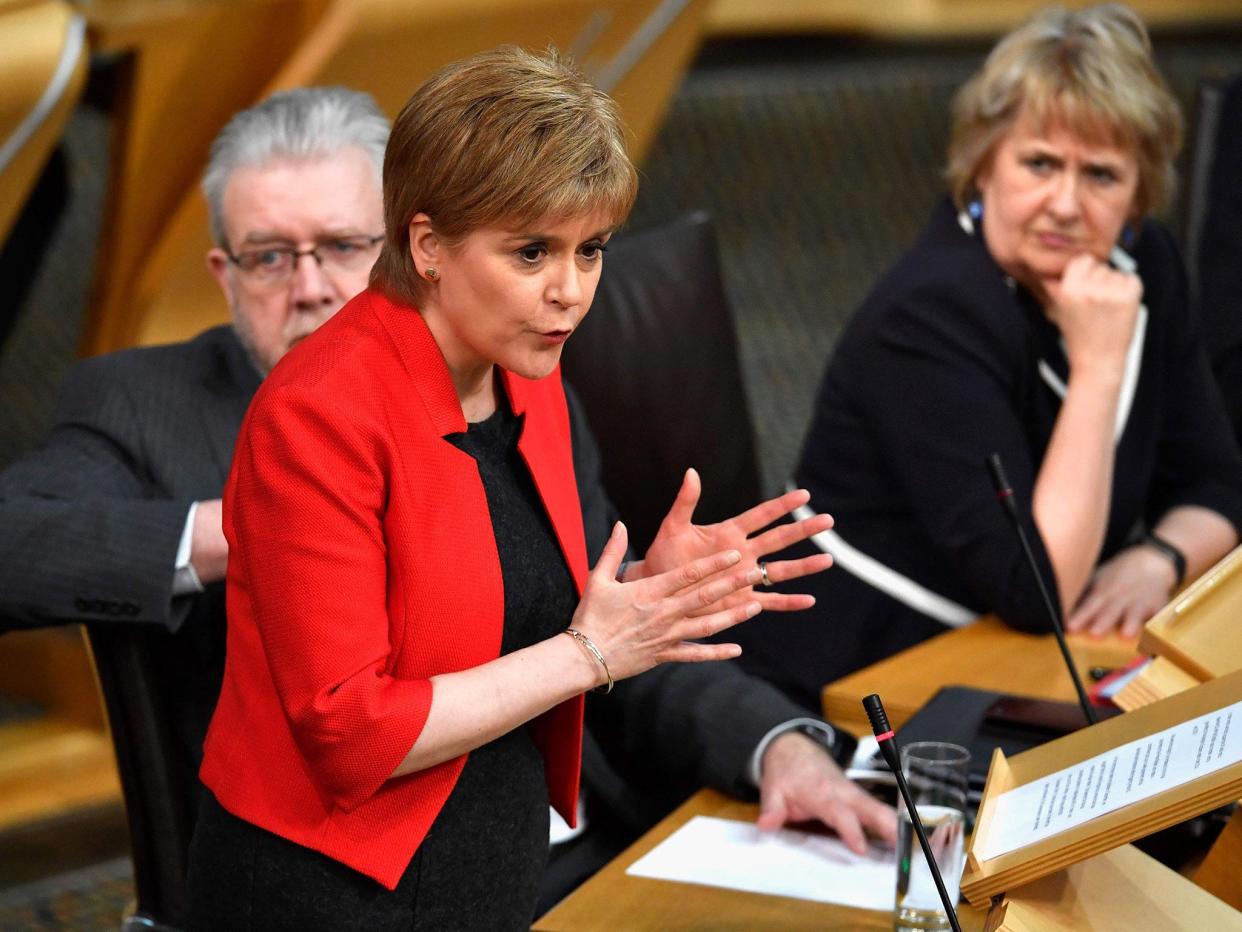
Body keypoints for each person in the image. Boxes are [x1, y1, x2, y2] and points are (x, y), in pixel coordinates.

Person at [0, 81, 892, 920]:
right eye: (271, 255)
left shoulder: (520, 362)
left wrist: (664, 612)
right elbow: (357, 726)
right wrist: (239, 534)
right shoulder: (214, 407)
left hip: (520, 848)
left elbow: (578, 632)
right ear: (426, 245)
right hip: (346, 887)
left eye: (343, 247)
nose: (310, 287)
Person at [728, 4, 1242, 710]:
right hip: (859, 681)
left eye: (1100, 176)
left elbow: (1218, 481)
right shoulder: (927, 313)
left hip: (1010, 663)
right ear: (983, 165)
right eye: (1039, 163)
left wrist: (1161, 558)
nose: (1065, 204)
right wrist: (1098, 367)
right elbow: (1037, 587)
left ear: (1137, 198)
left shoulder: (1142, 264)